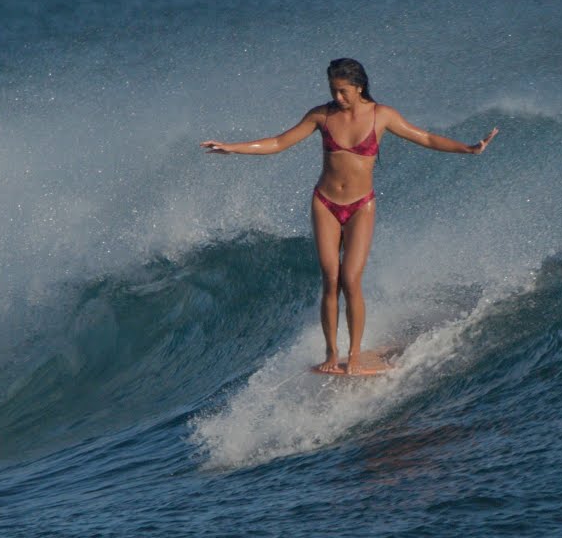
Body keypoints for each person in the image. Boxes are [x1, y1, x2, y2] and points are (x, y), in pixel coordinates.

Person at [202, 58, 498, 375]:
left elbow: (424, 138)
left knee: (351, 280)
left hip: (361, 206)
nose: (338, 98)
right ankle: (332, 353)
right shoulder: (322, 115)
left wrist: (468, 149)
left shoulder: (382, 115)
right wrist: (233, 148)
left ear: (359, 87)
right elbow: (278, 142)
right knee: (330, 280)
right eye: (333, 91)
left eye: (343, 91)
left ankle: (354, 354)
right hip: (325, 203)